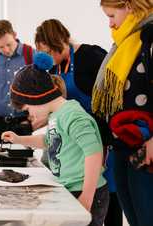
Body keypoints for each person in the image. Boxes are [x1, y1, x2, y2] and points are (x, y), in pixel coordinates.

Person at [1, 52, 109, 226]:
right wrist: (19, 139)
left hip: (86, 191)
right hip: (70, 188)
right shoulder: (56, 115)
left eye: (28, 108)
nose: (30, 114)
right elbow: (48, 141)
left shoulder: (73, 116)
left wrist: (86, 199)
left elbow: (94, 153)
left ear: (37, 97)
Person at [35, 19, 122, 226]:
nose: (46, 58)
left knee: (107, 195)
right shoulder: (54, 69)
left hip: (100, 139)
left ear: (59, 42)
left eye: (48, 52)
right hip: (71, 145)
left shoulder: (90, 56)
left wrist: (105, 142)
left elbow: (114, 97)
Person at [92, 1, 153, 226]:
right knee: (134, 220)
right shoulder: (124, 43)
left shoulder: (149, 37)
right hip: (121, 145)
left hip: (146, 148)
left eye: (111, 15)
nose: (110, 23)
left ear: (129, 6)